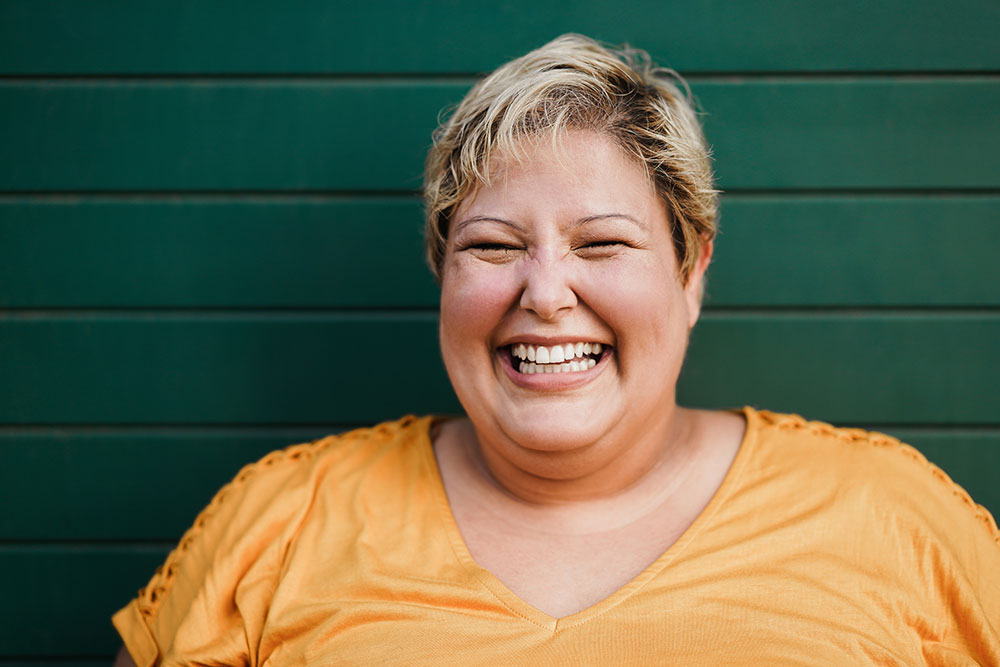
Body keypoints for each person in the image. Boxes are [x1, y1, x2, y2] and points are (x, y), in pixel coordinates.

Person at [113, 34, 999, 665]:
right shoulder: (277, 525)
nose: (543, 292)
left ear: (690, 272)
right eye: (493, 246)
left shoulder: (900, 521)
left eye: (602, 243)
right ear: (442, 272)